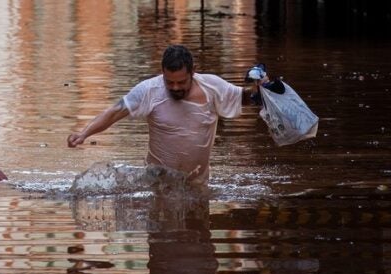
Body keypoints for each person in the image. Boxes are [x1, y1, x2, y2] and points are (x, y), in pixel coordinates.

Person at [67, 44, 265, 185]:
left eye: (181, 82)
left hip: (198, 183)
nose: (175, 87)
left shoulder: (212, 87)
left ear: (193, 72)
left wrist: (262, 88)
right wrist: (84, 134)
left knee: (200, 240)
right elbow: (114, 112)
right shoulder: (149, 90)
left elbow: (245, 98)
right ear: (162, 73)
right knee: (162, 239)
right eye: (169, 82)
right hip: (158, 183)